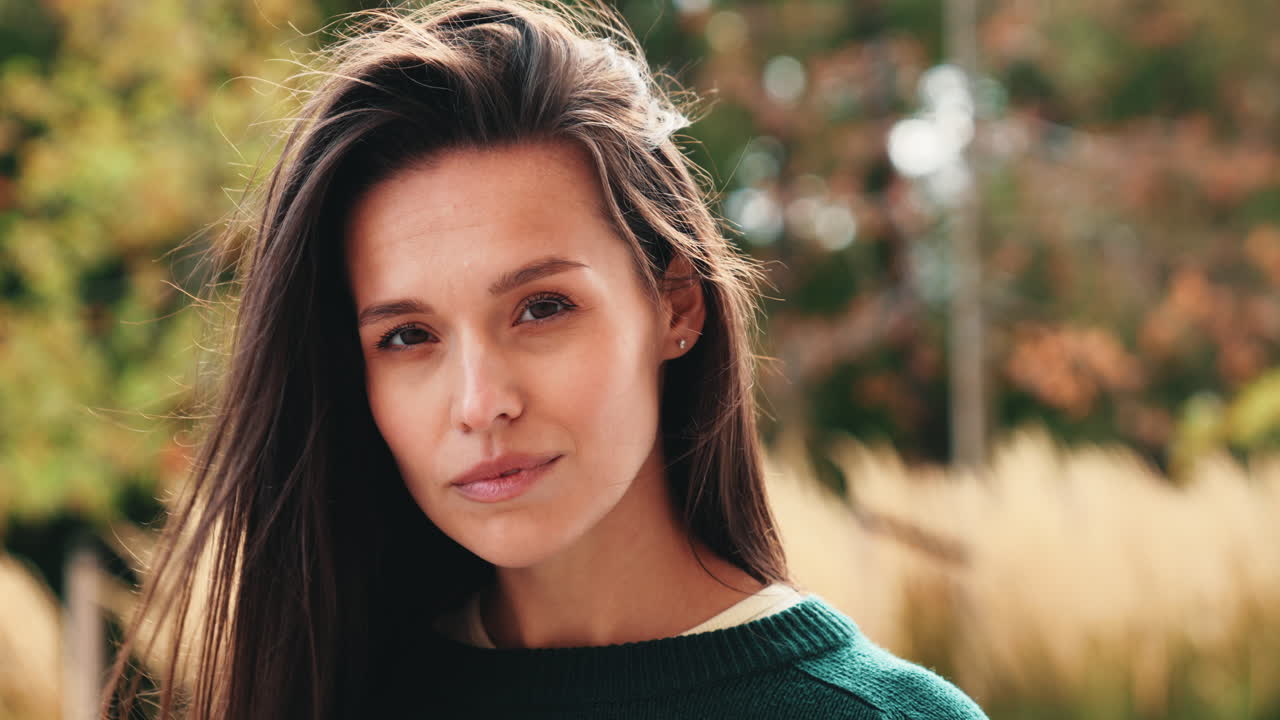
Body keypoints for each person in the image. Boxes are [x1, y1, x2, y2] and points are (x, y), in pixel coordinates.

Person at [102, 1, 989, 718]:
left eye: (542, 307)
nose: (481, 402)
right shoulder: (325, 693)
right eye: (408, 336)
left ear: (675, 307)